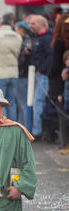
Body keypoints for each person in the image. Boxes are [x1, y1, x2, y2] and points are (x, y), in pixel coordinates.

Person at [0, 13, 22, 122]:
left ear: (1, 23)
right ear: (12, 23)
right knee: (11, 102)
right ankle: (11, 128)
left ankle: (2, 127)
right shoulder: (18, 37)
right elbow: (21, 57)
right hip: (13, 74)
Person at [28, 15, 53, 140]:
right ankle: (38, 130)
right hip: (37, 74)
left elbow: (50, 57)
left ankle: (37, 132)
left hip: (42, 76)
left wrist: (41, 69)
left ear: (41, 24)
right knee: (36, 103)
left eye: (33, 23)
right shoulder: (37, 38)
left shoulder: (47, 38)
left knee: (39, 103)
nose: (30, 26)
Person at [49, 14, 69, 152]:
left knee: (62, 113)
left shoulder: (59, 42)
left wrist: (48, 72)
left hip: (58, 81)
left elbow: (54, 65)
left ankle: (64, 143)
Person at [15, 21, 32, 126]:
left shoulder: (23, 40)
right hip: (25, 74)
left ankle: (24, 127)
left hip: (21, 75)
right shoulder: (28, 39)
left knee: (22, 104)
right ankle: (22, 126)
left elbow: (22, 59)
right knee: (22, 104)